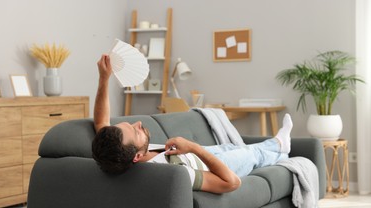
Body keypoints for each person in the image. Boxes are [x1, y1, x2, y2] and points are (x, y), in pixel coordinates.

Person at [92, 54, 292, 194]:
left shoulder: (116, 149)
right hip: (216, 166)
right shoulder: (171, 174)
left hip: (206, 154)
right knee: (251, 154)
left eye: (129, 124)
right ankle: (279, 145)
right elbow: (231, 183)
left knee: (236, 147)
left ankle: (280, 151)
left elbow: (101, 122)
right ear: (136, 157)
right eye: (136, 132)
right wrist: (193, 147)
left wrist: (104, 78)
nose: (138, 123)